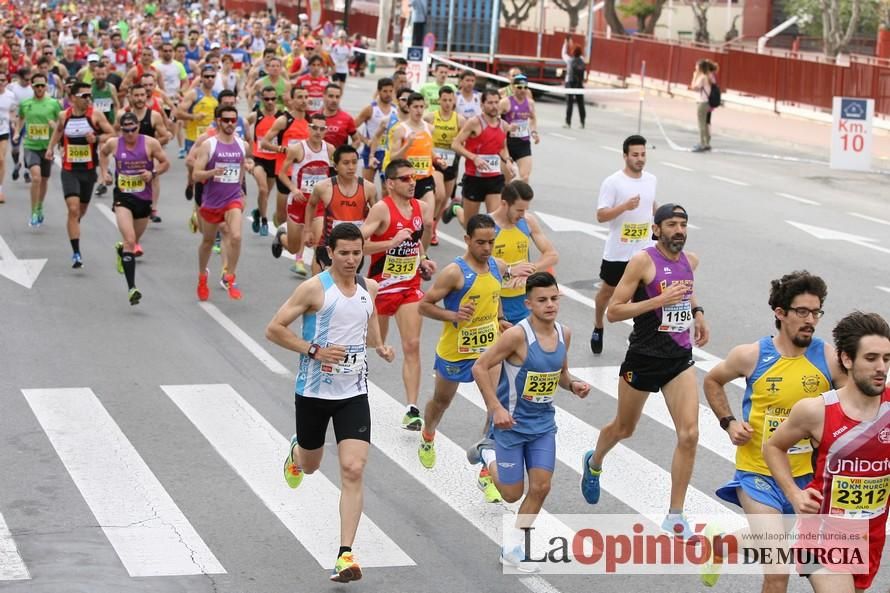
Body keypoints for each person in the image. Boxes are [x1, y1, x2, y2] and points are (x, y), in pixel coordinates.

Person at [266, 222, 395, 584]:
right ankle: (297, 453)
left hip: (353, 393)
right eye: (344, 253)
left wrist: (381, 346)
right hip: (314, 393)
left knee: (353, 469)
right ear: (329, 252)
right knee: (310, 465)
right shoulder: (314, 289)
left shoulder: (369, 288)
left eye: (357, 253)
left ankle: (345, 554)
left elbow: (369, 332)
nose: (351, 260)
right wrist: (314, 349)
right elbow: (274, 328)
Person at [702, 271, 844, 591]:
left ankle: (721, 544)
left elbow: (851, 408)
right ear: (780, 313)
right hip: (758, 473)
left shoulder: (829, 359)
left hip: (806, 477)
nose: (811, 320)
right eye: (802, 312)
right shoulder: (752, 356)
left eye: (816, 312)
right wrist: (729, 422)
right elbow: (712, 381)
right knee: (778, 571)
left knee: (776, 536)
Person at [580, 203, 709, 540]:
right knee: (624, 428)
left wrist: (698, 313)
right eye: (671, 224)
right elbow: (614, 312)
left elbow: (688, 289)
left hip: (679, 359)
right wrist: (657, 302)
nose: (678, 230)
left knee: (690, 435)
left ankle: (675, 515)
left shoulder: (689, 261)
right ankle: (594, 461)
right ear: (656, 230)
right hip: (644, 358)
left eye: (683, 224)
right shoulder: (642, 262)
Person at [468, 271, 591, 569]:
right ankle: (486, 451)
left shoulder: (565, 333)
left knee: (541, 487)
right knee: (511, 494)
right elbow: (480, 367)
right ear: (529, 303)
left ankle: (512, 547)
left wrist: (573, 384)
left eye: (554, 298)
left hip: (542, 425)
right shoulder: (517, 336)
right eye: (542, 300)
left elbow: (560, 375)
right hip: (511, 426)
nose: (550, 305)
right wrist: (495, 407)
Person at [764, 311, 890, 593]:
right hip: (821, 531)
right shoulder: (817, 410)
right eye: (871, 358)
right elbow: (773, 446)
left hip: (870, 534)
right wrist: (794, 494)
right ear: (847, 359)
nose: (881, 367)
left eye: (886, 358)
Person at [416, 214, 508, 485]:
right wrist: (453, 316)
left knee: (495, 406)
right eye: (481, 242)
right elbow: (424, 305)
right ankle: (428, 433)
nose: (487, 249)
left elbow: (495, 296)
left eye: (491, 242)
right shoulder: (454, 273)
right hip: (456, 351)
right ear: (467, 240)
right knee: (442, 402)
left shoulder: (497, 267)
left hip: (489, 349)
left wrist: (501, 319)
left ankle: (487, 468)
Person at [361, 159, 436, 430]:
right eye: (404, 178)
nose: (412, 182)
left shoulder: (421, 208)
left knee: (412, 345)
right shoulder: (382, 210)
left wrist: (424, 258)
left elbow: (414, 242)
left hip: (409, 287)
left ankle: (412, 409)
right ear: (390, 183)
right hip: (381, 289)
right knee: (372, 346)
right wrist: (389, 243)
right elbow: (357, 243)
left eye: (413, 177)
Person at [590, 134, 657, 355]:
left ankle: (638, 332)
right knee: (607, 292)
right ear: (625, 156)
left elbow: (650, 205)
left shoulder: (651, 180)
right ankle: (598, 325)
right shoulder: (613, 182)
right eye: (635, 155)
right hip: (618, 251)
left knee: (643, 294)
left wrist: (661, 220)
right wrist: (624, 207)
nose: (640, 159)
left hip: (644, 249)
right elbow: (601, 215)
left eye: (643, 154)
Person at [98, 112, 170, 305]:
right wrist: (105, 173)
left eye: (133, 129)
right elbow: (102, 154)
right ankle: (132, 288)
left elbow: (166, 163)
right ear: (121, 129)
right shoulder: (114, 143)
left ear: (139, 127)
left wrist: (152, 172)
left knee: (133, 240)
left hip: (143, 199)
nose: (130, 134)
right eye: (125, 130)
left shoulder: (150, 143)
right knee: (131, 241)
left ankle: (122, 250)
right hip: (123, 198)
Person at [46, 81, 115, 268]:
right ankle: (76, 253)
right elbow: (58, 131)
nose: (88, 99)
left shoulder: (95, 115)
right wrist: (50, 148)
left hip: (88, 171)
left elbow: (112, 132)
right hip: (69, 170)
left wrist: (97, 138)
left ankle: (73, 225)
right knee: (73, 209)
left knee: (80, 212)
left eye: (89, 96)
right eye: (84, 96)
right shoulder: (64, 116)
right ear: (73, 98)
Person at [192, 104, 248, 301]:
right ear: (218, 121)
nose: (230, 124)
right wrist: (211, 173)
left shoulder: (242, 144)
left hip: (232, 199)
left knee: (237, 236)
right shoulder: (209, 145)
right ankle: (202, 276)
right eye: (226, 120)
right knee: (207, 242)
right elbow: (196, 174)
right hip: (212, 201)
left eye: (233, 120)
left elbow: (241, 170)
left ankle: (230, 276)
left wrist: (240, 190)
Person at [490, 180, 558, 325]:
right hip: (495, 302)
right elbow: (477, 263)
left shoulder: (527, 222)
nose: (523, 214)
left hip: (523, 302)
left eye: (525, 210)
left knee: (526, 346)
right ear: (504, 204)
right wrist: (509, 271)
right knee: (500, 347)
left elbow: (551, 254)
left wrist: (532, 268)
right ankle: (456, 209)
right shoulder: (487, 226)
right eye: (519, 210)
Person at [275, 112, 333, 277]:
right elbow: (282, 173)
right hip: (298, 203)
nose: (318, 132)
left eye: (322, 129)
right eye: (314, 127)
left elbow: (334, 174)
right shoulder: (297, 149)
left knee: (319, 244)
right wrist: (293, 189)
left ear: (326, 131)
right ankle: (281, 237)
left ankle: (317, 284)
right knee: (293, 247)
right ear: (309, 128)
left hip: (319, 204)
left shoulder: (329, 150)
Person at [304, 144, 376, 272]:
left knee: (345, 288)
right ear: (336, 166)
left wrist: (371, 233)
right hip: (328, 245)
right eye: (346, 163)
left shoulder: (368, 188)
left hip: (354, 249)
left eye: (354, 162)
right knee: (323, 287)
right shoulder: (323, 187)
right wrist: (307, 231)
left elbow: (378, 213)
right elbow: (311, 205)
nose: (351, 167)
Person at [451, 88, 513, 226]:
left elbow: (502, 148)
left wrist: (508, 161)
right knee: (470, 225)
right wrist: (474, 157)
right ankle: (456, 209)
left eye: (496, 102)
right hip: (474, 178)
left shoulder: (503, 125)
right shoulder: (474, 122)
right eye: (490, 103)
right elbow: (455, 144)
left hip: (495, 178)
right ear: (482, 105)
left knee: (494, 222)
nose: (494, 106)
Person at [17, 73, 60, 227]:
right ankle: (34, 211)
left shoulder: (54, 104)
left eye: (42, 85)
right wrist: (17, 131)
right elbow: (20, 117)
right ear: (32, 86)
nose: (40, 88)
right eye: (37, 86)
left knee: (44, 179)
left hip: (46, 148)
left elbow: (59, 125)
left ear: (46, 86)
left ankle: (40, 206)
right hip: (30, 146)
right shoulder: (26, 103)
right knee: (36, 177)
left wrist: (53, 126)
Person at [354, 77, 397, 183]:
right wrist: (365, 140)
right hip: (370, 152)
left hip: (387, 152)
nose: (388, 94)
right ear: (378, 91)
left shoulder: (395, 110)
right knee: (367, 186)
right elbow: (352, 127)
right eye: (385, 91)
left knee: (387, 188)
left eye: (390, 91)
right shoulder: (370, 109)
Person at [499, 74, 538, 183]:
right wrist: (506, 127)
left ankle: (522, 199)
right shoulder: (505, 102)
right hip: (507, 145)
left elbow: (533, 119)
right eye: (519, 87)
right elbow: (494, 119)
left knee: (525, 176)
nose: (523, 90)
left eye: (525, 87)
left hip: (523, 144)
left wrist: (534, 132)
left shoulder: (530, 103)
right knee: (507, 179)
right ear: (513, 87)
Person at [691, 59, 717, 152]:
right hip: (706, 103)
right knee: (705, 123)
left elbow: (694, 87)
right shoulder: (708, 76)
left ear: (700, 67)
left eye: (697, 66)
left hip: (702, 102)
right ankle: (706, 142)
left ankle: (702, 143)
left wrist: (694, 76)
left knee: (701, 124)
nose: (695, 68)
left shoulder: (702, 77)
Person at [0, 71, 16, 204]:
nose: (0, 82)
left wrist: (13, 122)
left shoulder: (10, 96)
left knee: (0, 160)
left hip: (3, 131)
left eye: (3, 80)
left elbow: (12, 112)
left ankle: (0, 190)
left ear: (6, 82)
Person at [562, 43, 586, 129]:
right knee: (581, 104)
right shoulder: (583, 61)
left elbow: (563, 54)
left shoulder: (569, 60)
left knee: (570, 104)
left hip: (570, 84)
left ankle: (568, 123)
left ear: (573, 52)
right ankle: (582, 123)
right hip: (579, 84)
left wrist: (566, 43)